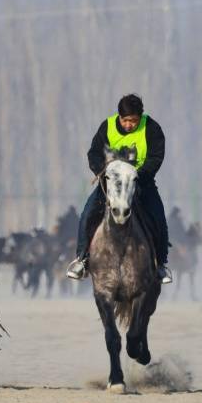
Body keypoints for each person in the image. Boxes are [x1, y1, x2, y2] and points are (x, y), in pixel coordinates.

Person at [65, 94, 171, 283]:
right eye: (126, 120)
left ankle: (161, 263)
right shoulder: (107, 126)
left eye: (134, 121)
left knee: (159, 216)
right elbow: (94, 153)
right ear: (119, 117)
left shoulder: (152, 129)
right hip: (110, 184)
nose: (130, 124)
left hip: (140, 183)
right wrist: (101, 172)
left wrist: (140, 175)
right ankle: (81, 259)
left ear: (140, 117)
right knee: (88, 213)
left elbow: (156, 157)